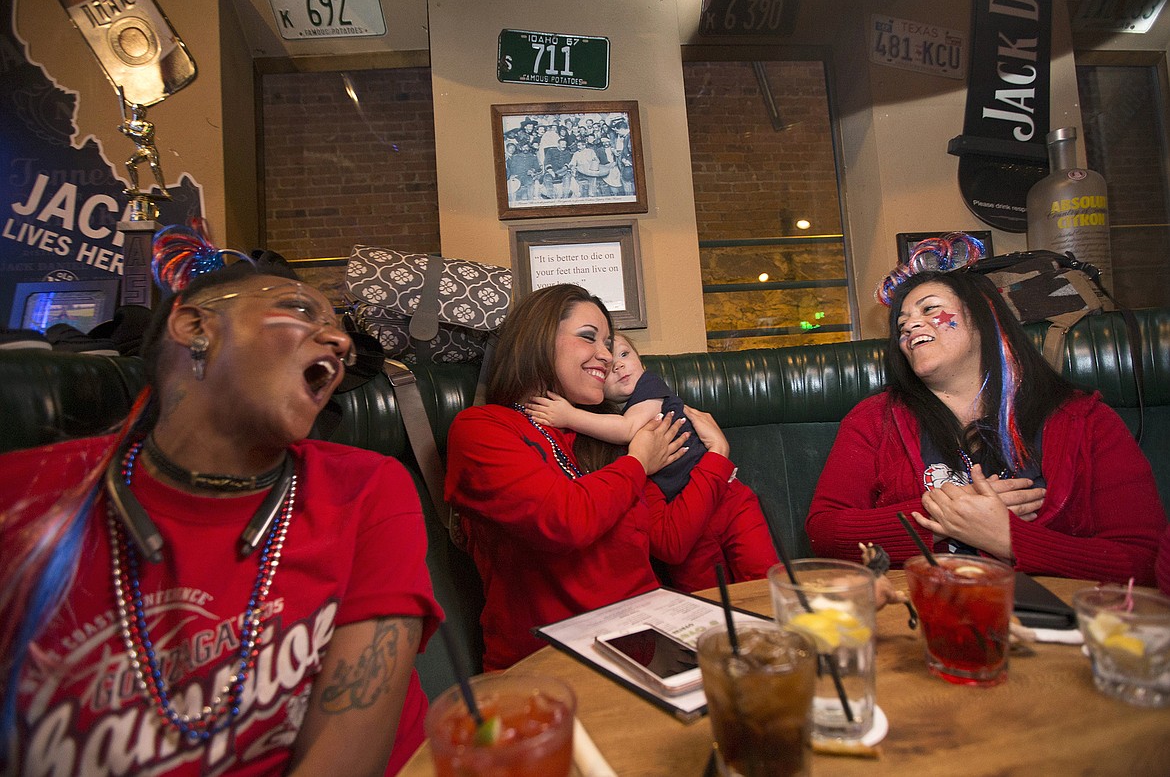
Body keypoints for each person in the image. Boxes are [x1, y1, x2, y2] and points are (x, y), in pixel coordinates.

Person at [0, 228, 441, 775]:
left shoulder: (365, 489)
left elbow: (347, 754)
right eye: (301, 310)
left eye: (340, 329)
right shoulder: (23, 498)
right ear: (194, 324)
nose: (341, 342)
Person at [806, 235, 1165, 585]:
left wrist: (1007, 539)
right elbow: (824, 532)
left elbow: (1143, 559)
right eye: (902, 325)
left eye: (930, 309)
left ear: (984, 316)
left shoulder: (1086, 421)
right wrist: (946, 516)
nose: (910, 326)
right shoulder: (874, 419)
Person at [445, 285, 769, 670]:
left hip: (650, 647)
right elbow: (564, 521)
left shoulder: (605, 441)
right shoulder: (482, 428)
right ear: (539, 339)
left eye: (610, 343)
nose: (605, 354)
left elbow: (671, 540)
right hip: (549, 666)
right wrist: (637, 463)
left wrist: (717, 457)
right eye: (588, 337)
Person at [524, 332, 777, 588]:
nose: (620, 365)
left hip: (728, 499)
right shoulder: (602, 432)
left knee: (762, 579)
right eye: (609, 366)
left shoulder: (649, 389)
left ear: (642, 363)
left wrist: (569, 416)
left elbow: (627, 427)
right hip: (682, 515)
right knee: (704, 596)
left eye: (625, 354)